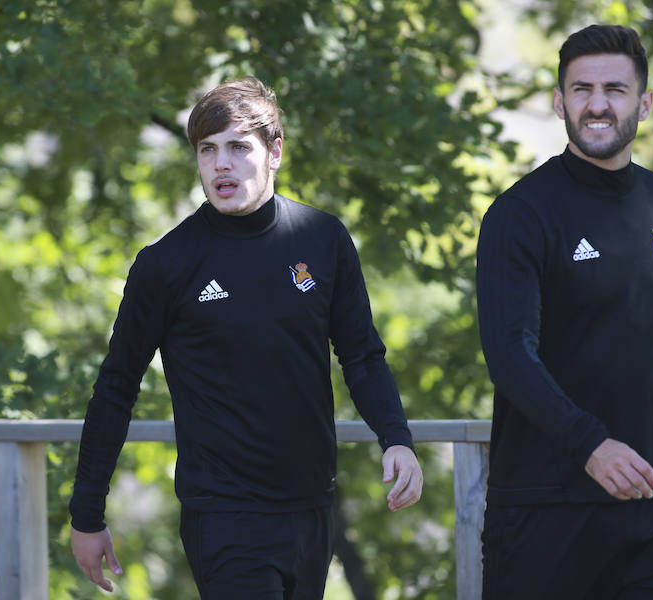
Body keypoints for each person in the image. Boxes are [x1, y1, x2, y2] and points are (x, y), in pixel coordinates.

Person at [69, 76, 423, 598]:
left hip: (311, 507)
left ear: (274, 151)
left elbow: (364, 358)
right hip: (224, 516)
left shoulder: (322, 240)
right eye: (207, 150)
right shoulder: (166, 264)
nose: (220, 164)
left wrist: (396, 438)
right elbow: (115, 388)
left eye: (238, 147)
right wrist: (87, 514)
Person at [476, 24, 653, 599]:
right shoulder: (520, 213)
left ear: (644, 101)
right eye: (581, 89)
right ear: (559, 101)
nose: (597, 104)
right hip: (546, 510)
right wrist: (590, 444)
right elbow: (510, 355)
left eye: (615, 89)